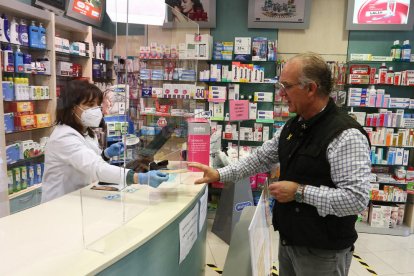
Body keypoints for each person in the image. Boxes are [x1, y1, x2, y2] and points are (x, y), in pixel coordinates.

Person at [189, 52, 371, 276]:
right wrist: (219, 173)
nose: (282, 94)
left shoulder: (345, 135)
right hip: (290, 241)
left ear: (311, 89)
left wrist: (300, 192)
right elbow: (261, 158)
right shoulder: (295, 125)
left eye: (286, 86)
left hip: (323, 251)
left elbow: (357, 199)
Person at [42, 80, 169, 203]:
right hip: (59, 204)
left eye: (97, 105)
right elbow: (95, 167)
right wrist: (138, 178)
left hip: (79, 198)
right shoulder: (64, 138)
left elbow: (89, 160)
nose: (97, 110)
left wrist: (105, 154)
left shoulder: (85, 132)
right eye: (90, 105)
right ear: (72, 108)